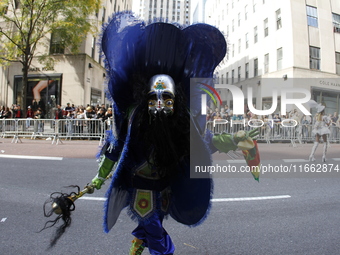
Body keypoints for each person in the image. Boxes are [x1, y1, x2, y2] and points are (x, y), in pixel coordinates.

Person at [89, 13, 260, 255]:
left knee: (152, 223)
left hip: (167, 187)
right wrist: (100, 175)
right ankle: (149, 245)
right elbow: (116, 145)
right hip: (140, 188)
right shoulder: (134, 118)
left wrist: (235, 139)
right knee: (151, 224)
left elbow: (204, 143)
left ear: (175, 100)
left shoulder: (182, 122)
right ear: (146, 98)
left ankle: (147, 245)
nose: (159, 104)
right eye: (155, 98)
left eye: (166, 98)